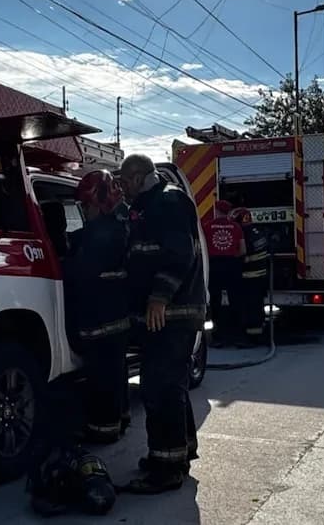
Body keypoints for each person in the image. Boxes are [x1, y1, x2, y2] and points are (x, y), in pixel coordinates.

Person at [116, 154, 206, 494]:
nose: (122, 189)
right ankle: (180, 451)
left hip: (171, 314)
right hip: (165, 315)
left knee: (159, 387)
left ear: (140, 176)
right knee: (172, 384)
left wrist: (159, 297)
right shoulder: (148, 205)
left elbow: (180, 253)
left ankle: (165, 469)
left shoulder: (168, 200)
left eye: (125, 181)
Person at [64, 170, 131, 443]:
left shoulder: (97, 234)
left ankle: (103, 430)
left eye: (85, 205)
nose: (83, 210)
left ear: (97, 201)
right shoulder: (121, 225)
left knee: (102, 378)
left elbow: (81, 271)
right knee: (116, 373)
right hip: (116, 319)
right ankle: (121, 418)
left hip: (101, 319)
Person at [202, 200, 245, 347]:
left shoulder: (207, 227)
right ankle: (237, 335)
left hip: (214, 266)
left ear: (217, 211)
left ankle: (218, 336)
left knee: (215, 301)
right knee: (236, 300)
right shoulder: (236, 227)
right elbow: (243, 250)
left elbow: (202, 248)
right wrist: (231, 255)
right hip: (231, 265)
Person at [232, 207, 270, 346]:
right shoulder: (257, 231)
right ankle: (258, 335)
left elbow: (242, 254)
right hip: (260, 276)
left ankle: (251, 338)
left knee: (249, 309)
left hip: (249, 278)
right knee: (257, 306)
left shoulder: (244, 234)